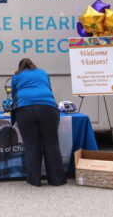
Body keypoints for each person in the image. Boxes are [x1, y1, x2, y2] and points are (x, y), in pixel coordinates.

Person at [10, 58, 66, 187]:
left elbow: (14, 96)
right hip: (48, 108)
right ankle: (56, 180)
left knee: (31, 145)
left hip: (25, 109)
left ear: (20, 67)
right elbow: (49, 90)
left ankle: (34, 180)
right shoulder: (43, 73)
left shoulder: (17, 75)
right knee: (51, 144)